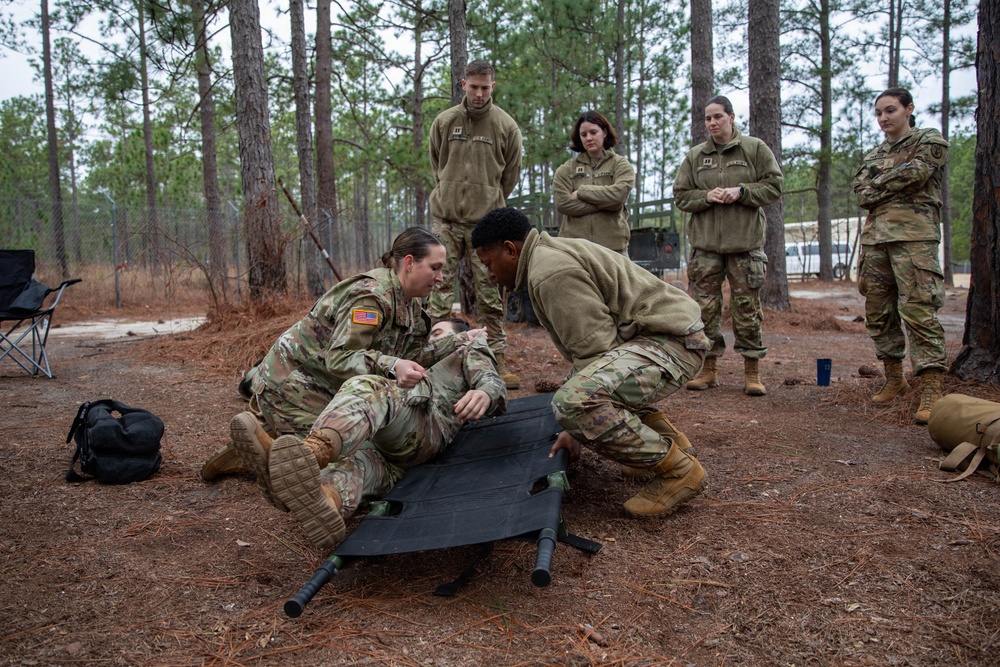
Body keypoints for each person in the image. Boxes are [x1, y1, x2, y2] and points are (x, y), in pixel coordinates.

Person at [471, 207, 711, 519]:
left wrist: (577, 427)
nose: (489, 273)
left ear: (509, 249)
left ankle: (679, 470)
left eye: (488, 263)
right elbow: (599, 353)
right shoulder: (544, 257)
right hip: (661, 336)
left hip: (673, 342)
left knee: (574, 403)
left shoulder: (549, 273)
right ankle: (670, 443)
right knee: (587, 394)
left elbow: (597, 352)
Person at [229, 228, 474, 513]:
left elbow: (411, 354)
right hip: (291, 386)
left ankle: (262, 446)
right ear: (409, 263)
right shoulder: (372, 296)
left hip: (324, 385)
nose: (441, 277)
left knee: (363, 427)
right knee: (357, 447)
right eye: (435, 268)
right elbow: (340, 357)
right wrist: (392, 365)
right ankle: (273, 458)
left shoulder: (411, 304)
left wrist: (460, 341)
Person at [259, 318, 506, 549]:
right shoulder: (413, 353)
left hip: (423, 426)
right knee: (354, 462)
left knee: (369, 387)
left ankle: (312, 452)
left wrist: (484, 393)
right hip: (391, 454)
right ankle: (327, 500)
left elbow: (491, 380)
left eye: (439, 334)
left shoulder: (466, 346)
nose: (432, 341)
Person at [673, 95, 783, 396]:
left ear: (731, 117)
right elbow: (681, 195)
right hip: (706, 248)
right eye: (707, 118)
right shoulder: (696, 156)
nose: (712, 123)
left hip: (744, 246)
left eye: (718, 117)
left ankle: (752, 372)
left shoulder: (754, 149)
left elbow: (774, 186)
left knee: (746, 310)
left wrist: (742, 191)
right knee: (705, 310)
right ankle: (708, 370)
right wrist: (705, 197)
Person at [852, 87, 949, 425]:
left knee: (920, 310)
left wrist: (881, 182)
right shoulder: (873, 154)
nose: (883, 118)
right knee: (878, 313)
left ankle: (931, 387)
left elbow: (918, 172)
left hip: (915, 239)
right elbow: (862, 194)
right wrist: (893, 179)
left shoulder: (928, 140)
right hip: (876, 241)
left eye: (890, 110)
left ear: (909, 109)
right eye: (878, 113)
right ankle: (895, 378)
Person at [426, 60, 523, 389]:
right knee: (436, 290)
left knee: (491, 294)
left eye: (485, 87)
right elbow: (437, 163)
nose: (479, 93)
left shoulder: (505, 127)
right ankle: (435, 357)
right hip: (448, 223)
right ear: (463, 84)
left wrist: (488, 200)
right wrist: (449, 194)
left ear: (492, 87)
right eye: (473, 86)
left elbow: (508, 177)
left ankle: (497, 359)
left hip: (486, 226)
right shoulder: (445, 122)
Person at [552, 110, 635, 254]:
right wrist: (606, 204)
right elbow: (563, 203)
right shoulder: (567, 169)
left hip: (614, 250)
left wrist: (581, 192)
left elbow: (619, 196)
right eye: (583, 135)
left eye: (593, 132)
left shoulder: (620, 165)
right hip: (575, 251)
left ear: (604, 132)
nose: (588, 138)